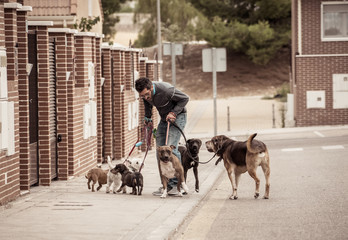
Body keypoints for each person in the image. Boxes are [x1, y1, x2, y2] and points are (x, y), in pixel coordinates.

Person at [135, 77, 189, 196]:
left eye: (147, 94)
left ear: (151, 87)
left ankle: (177, 185)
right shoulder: (145, 95)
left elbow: (185, 98)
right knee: (160, 151)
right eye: (142, 95)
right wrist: (148, 118)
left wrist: (174, 112)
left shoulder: (166, 90)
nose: (146, 97)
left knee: (170, 149)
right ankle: (166, 186)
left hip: (178, 116)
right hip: (164, 118)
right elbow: (147, 105)